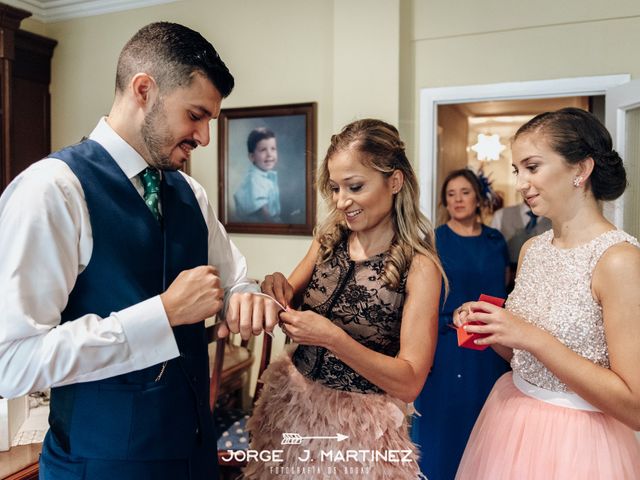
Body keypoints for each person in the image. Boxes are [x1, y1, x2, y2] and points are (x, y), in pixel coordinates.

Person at [0, 22, 279, 480]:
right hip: (100, 467)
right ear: (144, 90)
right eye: (195, 115)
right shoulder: (51, 191)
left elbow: (234, 279)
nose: (204, 137)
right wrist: (162, 314)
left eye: (209, 120)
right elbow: (12, 363)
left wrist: (244, 295)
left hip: (194, 458)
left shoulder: (191, 192)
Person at [240, 119, 443, 479]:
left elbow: (410, 381)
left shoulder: (420, 265)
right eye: (334, 188)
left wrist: (332, 338)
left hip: (361, 433)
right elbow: (288, 293)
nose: (341, 201)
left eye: (355, 186)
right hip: (291, 409)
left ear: (394, 181)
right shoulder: (328, 240)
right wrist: (275, 287)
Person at [454, 107, 640, 479]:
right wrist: (493, 329)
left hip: (580, 442)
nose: (521, 183)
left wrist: (532, 337)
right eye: (516, 171)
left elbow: (634, 404)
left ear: (580, 170)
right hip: (510, 419)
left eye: (532, 167)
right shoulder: (532, 250)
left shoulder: (619, 261)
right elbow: (527, 357)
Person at [412, 168, 510, 480]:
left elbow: (505, 292)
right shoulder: (434, 240)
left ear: (478, 197)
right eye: (451, 194)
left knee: (486, 425)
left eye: (465, 192)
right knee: (445, 428)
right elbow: (420, 297)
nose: (457, 199)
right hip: (447, 345)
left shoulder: (496, 241)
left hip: (491, 348)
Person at [490, 201, 551, 290]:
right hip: (507, 285)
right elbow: (492, 255)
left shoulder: (557, 218)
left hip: (544, 285)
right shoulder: (501, 215)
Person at [233, 127, 281, 222]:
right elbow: (262, 212)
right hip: (259, 226)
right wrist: (277, 224)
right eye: (263, 150)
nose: (269, 154)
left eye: (273, 149)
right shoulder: (254, 179)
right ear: (252, 156)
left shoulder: (267, 176)